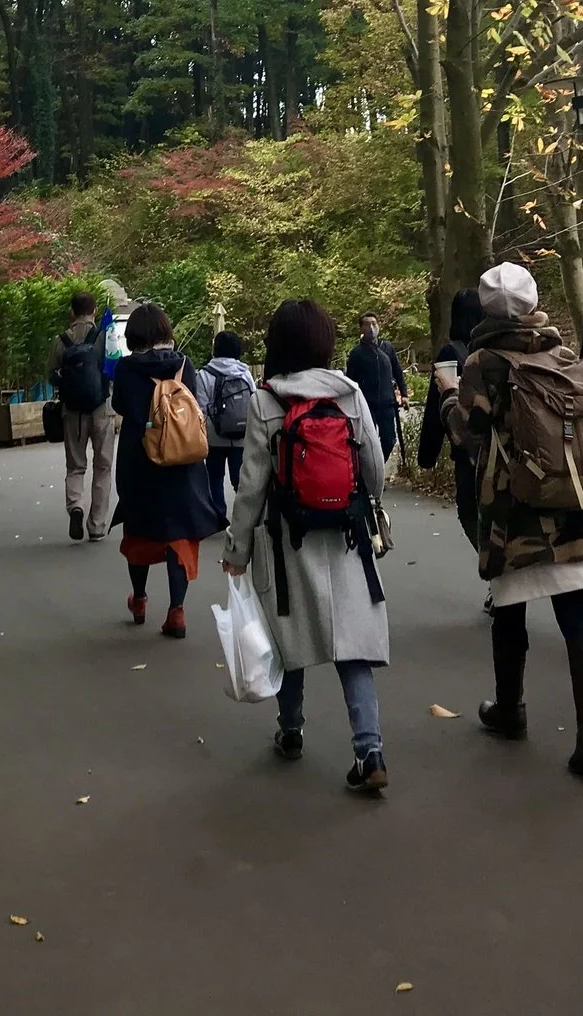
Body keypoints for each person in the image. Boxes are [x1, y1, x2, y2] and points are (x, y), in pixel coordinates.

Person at [439, 263, 583, 785]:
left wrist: (450, 398)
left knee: (511, 608)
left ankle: (511, 709)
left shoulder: (484, 361)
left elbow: (469, 436)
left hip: (516, 510)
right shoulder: (563, 356)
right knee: (575, 612)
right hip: (577, 505)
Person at [224, 298, 390, 796]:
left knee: (289, 637)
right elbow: (375, 469)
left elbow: (251, 485)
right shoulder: (350, 393)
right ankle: (370, 750)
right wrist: (365, 503)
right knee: (352, 646)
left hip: (285, 539)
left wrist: (236, 552)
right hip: (346, 536)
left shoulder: (265, 401)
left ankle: (291, 730)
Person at [110, 304, 223, 638]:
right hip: (183, 460)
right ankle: (177, 610)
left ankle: (140, 598)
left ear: (134, 336)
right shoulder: (185, 365)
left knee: (140, 529)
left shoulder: (126, 369)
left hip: (140, 460)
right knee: (179, 533)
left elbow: (120, 406)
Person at [418, 288, 486, 555]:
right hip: (497, 447)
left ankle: (495, 573)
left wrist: (427, 454)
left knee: (469, 511)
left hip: (466, 447)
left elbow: (437, 406)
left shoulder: (451, 351)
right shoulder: (490, 349)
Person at [47, 291, 116, 542]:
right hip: (101, 410)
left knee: (76, 466)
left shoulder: (61, 340)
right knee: (103, 466)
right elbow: (114, 368)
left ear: (72, 312)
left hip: (72, 412)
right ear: (94, 311)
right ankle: (97, 525)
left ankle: (75, 505)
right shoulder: (103, 336)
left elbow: (51, 374)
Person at [195, 330, 256, 524]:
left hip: (214, 436)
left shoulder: (204, 374)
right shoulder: (245, 373)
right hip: (241, 434)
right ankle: (243, 517)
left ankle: (218, 516)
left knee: (215, 477)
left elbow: (200, 408)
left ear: (215, 349)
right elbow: (253, 401)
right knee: (240, 478)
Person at [347, 312, 408, 461]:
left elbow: (397, 372)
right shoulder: (356, 354)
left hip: (387, 403)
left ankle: (377, 467)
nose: (371, 327)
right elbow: (350, 380)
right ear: (361, 329)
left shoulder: (387, 348)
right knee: (367, 442)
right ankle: (368, 475)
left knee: (389, 440)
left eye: (374, 323)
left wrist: (404, 394)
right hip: (367, 405)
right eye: (367, 324)